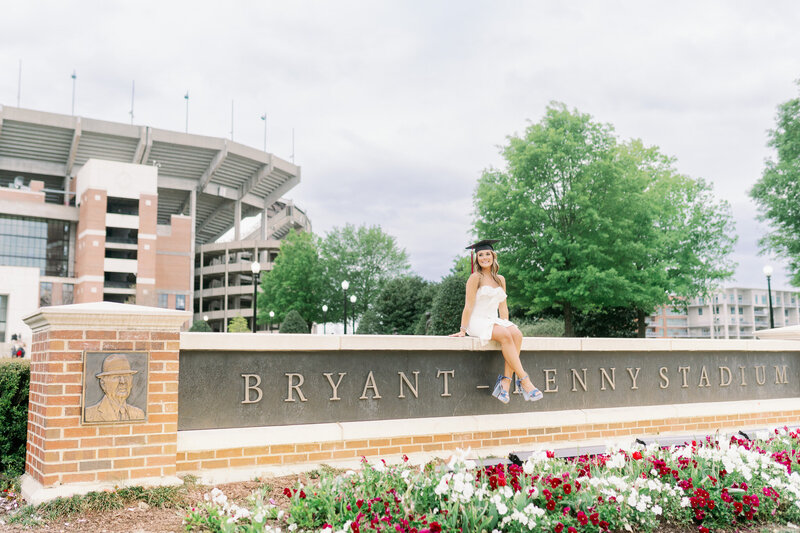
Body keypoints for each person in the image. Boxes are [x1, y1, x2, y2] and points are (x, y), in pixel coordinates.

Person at [450, 239, 543, 404]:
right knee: (506, 334)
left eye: (487, 254)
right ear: (476, 259)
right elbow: (468, 305)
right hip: (477, 321)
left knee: (517, 334)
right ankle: (524, 381)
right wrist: (463, 329)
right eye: (480, 255)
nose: (484, 257)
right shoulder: (475, 278)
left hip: (493, 320)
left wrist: (506, 325)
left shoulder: (500, 279)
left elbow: (503, 307)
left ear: (493, 256)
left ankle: (505, 382)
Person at [84, 353, 145, 422]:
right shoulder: (90, 414)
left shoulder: (139, 414)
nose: (122, 382)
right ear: (103, 384)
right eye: (116, 377)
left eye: (126, 376)